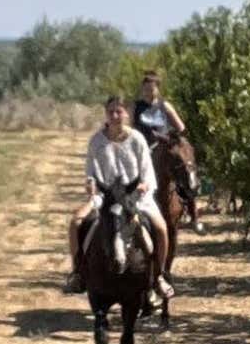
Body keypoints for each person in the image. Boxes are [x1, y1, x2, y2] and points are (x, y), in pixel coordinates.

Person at [66, 96, 173, 296]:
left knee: (161, 228)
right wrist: (90, 183)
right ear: (106, 114)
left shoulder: (137, 140)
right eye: (111, 112)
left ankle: (159, 275)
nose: (115, 116)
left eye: (119, 111)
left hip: (135, 198)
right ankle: (77, 272)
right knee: (76, 222)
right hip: (105, 198)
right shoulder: (96, 141)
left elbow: (147, 173)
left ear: (126, 114)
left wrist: (142, 186)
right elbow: (90, 171)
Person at [133, 68, 199, 228]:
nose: (148, 92)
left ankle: (193, 213)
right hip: (143, 148)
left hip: (164, 146)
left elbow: (181, 127)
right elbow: (130, 128)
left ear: (158, 88)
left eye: (152, 88)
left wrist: (171, 137)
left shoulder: (165, 106)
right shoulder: (136, 107)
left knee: (184, 168)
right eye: (146, 88)